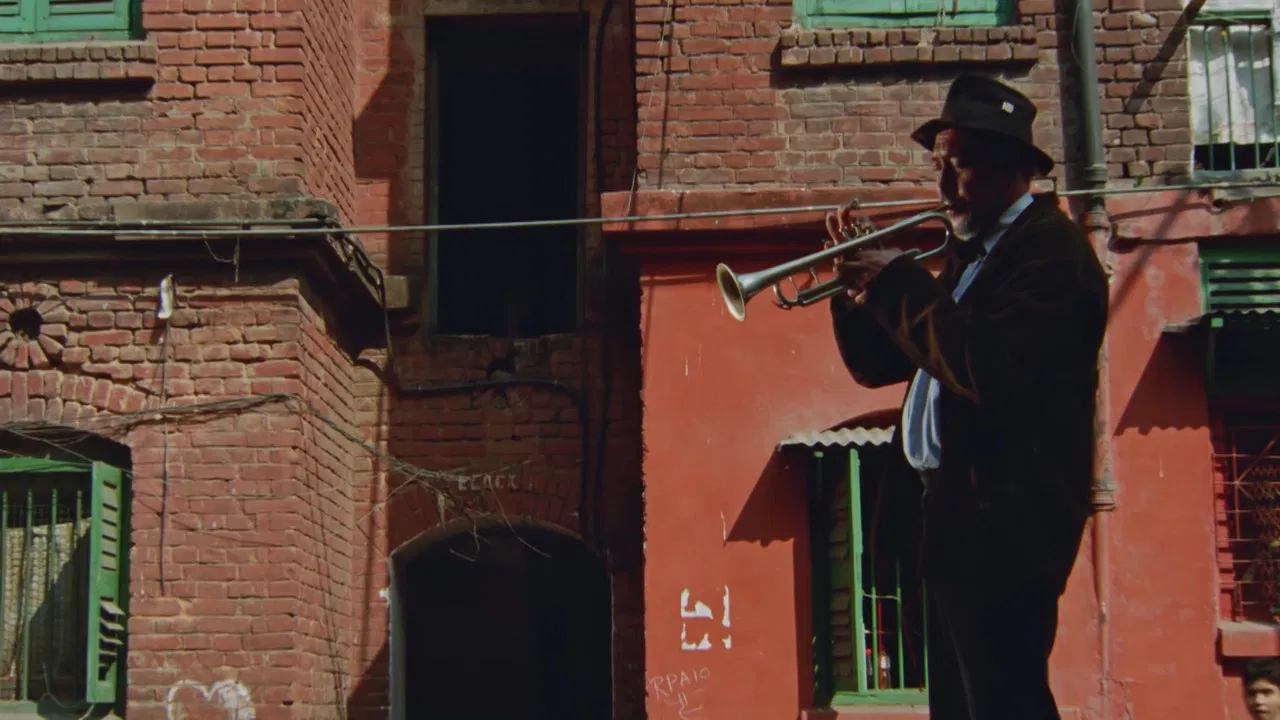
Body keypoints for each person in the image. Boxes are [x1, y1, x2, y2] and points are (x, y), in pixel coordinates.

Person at [828, 73, 1109, 719]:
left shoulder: (1053, 254)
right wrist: (857, 294)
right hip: (952, 517)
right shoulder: (972, 252)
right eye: (940, 166)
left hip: (1007, 524)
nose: (946, 186)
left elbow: (986, 366)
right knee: (960, 705)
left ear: (1015, 169)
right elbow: (879, 367)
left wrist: (897, 283)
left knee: (1003, 701)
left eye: (963, 165)